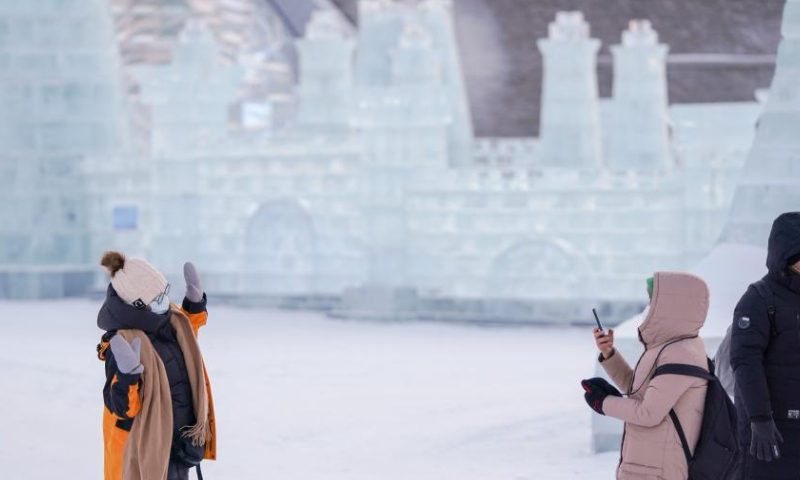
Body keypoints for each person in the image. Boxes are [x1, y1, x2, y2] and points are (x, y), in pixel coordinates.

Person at [96, 251, 216, 480]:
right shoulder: (123, 344)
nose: (165, 300)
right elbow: (122, 409)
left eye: (165, 292)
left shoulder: (165, 319)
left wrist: (195, 306)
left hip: (177, 443)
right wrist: (128, 377)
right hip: (146, 452)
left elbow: (183, 344)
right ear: (140, 304)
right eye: (158, 297)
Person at [582, 272, 710, 480]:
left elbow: (648, 413)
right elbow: (639, 390)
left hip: (659, 469)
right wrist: (609, 355)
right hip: (648, 464)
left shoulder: (681, 353)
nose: (647, 308)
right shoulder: (668, 347)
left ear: (670, 306)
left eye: (652, 301)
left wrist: (603, 403)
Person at [730, 211, 800, 479]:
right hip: (772, 433)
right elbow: (744, 360)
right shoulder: (759, 298)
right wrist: (760, 419)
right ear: (786, 255)